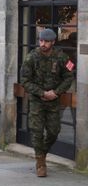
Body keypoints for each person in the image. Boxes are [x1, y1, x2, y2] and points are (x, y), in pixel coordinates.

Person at [20, 28, 75, 177]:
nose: (43, 44)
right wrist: (42, 93)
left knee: (54, 131)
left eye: (46, 42)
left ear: (53, 42)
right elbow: (24, 80)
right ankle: (40, 162)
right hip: (37, 101)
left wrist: (56, 92)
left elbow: (69, 77)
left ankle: (42, 152)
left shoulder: (62, 57)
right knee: (37, 132)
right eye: (41, 41)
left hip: (54, 102)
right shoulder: (31, 58)